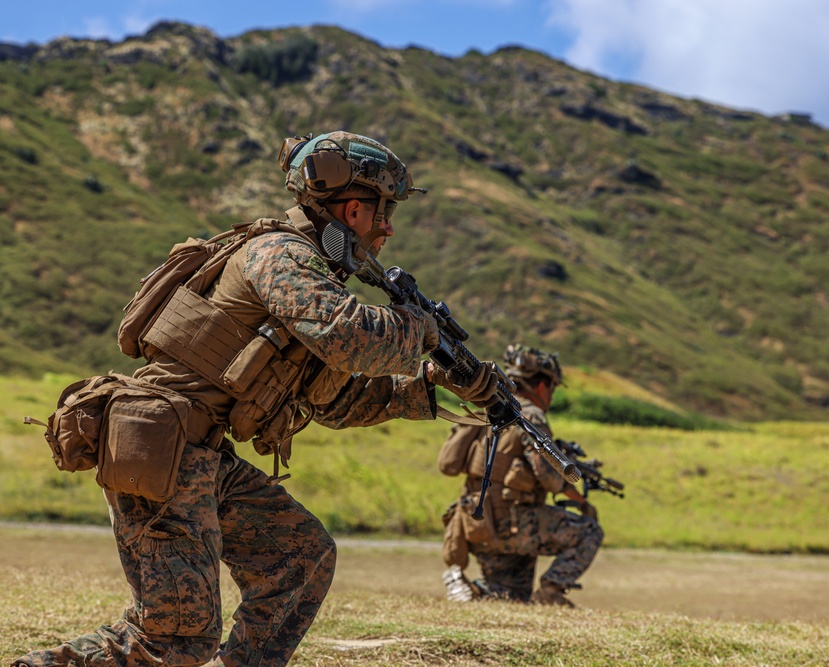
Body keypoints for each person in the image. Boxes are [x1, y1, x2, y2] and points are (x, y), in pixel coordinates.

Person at [13, 131, 504, 667]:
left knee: (300, 558)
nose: (388, 229)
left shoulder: (313, 274)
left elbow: (335, 401)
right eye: (385, 213)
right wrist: (423, 329)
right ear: (356, 208)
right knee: (173, 639)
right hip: (163, 448)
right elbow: (347, 334)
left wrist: (431, 387)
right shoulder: (281, 254)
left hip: (196, 456)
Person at [439, 344, 603, 606]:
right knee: (589, 531)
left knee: (511, 599)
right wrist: (581, 502)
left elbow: (448, 465)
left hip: (477, 525)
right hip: (512, 524)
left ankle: (471, 591)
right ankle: (551, 592)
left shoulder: (486, 408)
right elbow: (550, 477)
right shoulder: (529, 416)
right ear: (542, 387)